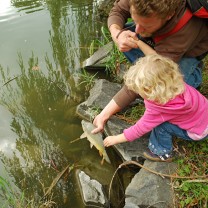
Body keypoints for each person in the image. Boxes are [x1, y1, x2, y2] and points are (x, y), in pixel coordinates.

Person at [93, 54, 208, 162]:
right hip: (204, 118)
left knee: (161, 126)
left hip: (198, 132)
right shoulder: (177, 85)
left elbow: (139, 129)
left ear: (150, 92)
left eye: (139, 90)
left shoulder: (158, 110)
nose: (136, 92)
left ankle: (162, 152)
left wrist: (116, 139)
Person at [108, 0, 208, 90]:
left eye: (146, 26)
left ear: (168, 15)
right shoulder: (138, 2)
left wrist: (141, 84)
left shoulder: (186, 28)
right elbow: (118, 11)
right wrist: (117, 34)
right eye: (135, 21)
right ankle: (146, 66)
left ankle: (194, 74)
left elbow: (161, 67)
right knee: (125, 36)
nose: (137, 30)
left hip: (186, 49)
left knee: (166, 89)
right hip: (159, 37)